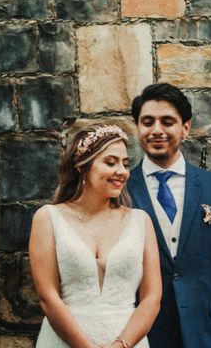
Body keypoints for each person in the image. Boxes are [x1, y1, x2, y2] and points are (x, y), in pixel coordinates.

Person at [128, 83, 211, 348]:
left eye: (167, 121)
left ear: (185, 128)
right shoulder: (122, 191)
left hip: (208, 333)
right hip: (145, 335)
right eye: (147, 122)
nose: (157, 130)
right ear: (138, 128)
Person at [29, 124, 162, 348]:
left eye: (125, 164)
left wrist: (121, 345)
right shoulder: (48, 218)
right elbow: (48, 298)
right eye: (111, 163)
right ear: (83, 167)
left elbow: (152, 298)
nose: (122, 171)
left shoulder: (141, 221)